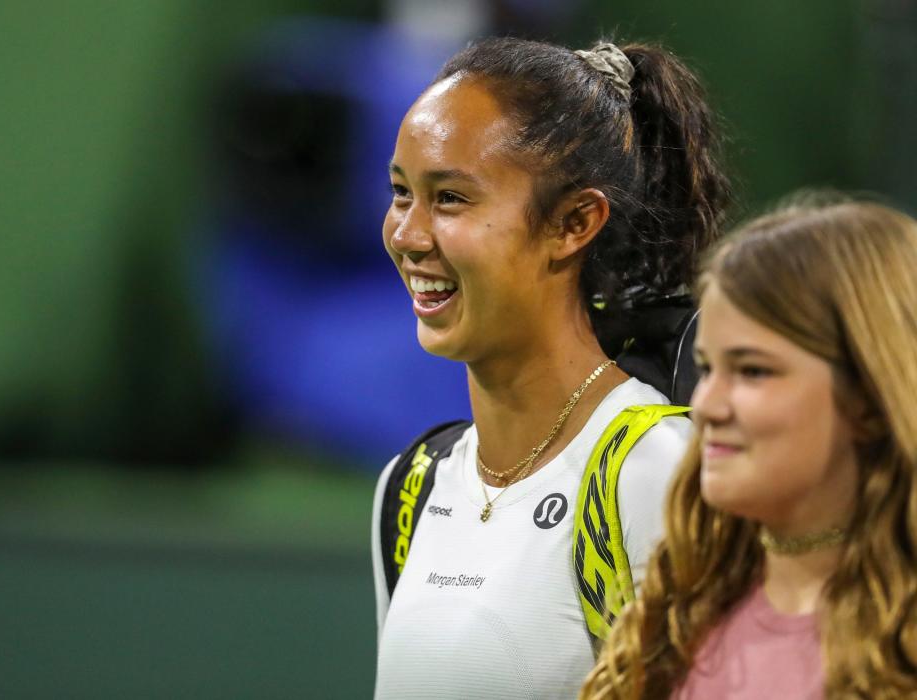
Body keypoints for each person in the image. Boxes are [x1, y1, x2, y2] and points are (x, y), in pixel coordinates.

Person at [371, 36, 730, 699]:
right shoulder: (410, 489)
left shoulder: (653, 473)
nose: (408, 234)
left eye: (450, 199)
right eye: (401, 193)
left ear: (573, 222)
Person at [581, 198, 917, 699]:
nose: (706, 405)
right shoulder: (670, 619)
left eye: (753, 371)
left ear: (869, 395)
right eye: (708, 367)